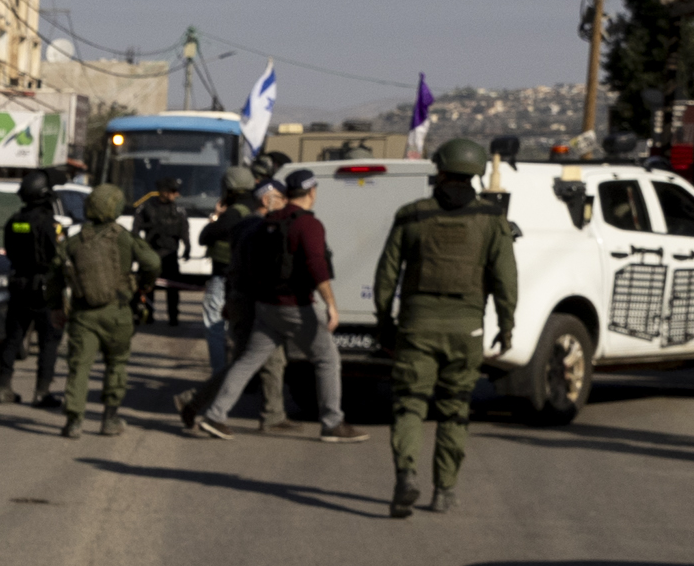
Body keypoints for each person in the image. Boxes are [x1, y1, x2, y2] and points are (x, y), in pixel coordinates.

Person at [371, 137, 518, 517]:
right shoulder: (492, 221)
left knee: (409, 405)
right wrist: (507, 325)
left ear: (440, 169)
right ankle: (444, 491)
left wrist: (384, 320)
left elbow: (387, 274)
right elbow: (505, 279)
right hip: (466, 329)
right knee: (454, 410)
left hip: (417, 326)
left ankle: (406, 474)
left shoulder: (412, 215)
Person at [186, 167, 351, 442]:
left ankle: (216, 415)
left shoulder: (264, 225)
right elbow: (316, 265)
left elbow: (241, 265)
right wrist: (331, 304)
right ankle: (332, 422)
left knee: (248, 361)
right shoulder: (299, 223)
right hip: (289, 304)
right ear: (311, 192)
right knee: (326, 358)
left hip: (263, 304)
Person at [57, 183, 157, 438]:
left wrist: (55, 306)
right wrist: (144, 285)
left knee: (79, 367)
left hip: (83, 315)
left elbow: (54, 271)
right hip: (118, 312)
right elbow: (152, 262)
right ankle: (109, 420)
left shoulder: (75, 240)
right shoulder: (124, 237)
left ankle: (73, 422)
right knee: (116, 364)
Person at [0, 174, 68, 406]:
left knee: (13, 337)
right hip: (44, 289)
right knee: (49, 340)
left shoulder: (14, 220)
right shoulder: (49, 223)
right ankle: (41, 393)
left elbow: (9, 251)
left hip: (19, 285)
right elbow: (59, 255)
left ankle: (3, 388)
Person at [195, 165, 264, 394]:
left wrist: (217, 216)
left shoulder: (234, 213)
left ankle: (219, 376)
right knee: (243, 329)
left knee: (214, 324)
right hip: (249, 279)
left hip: (224, 276)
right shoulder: (257, 207)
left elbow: (205, 236)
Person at [135, 181, 191, 325]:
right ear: (164, 192)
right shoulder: (146, 208)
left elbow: (184, 230)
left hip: (170, 254)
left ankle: (173, 317)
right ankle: (148, 316)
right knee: (148, 287)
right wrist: (138, 251)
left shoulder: (178, 209)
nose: (177, 194)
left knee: (172, 288)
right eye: (173, 191)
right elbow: (135, 231)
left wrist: (187, 247)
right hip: (151, 253)